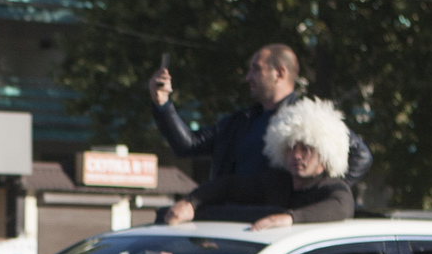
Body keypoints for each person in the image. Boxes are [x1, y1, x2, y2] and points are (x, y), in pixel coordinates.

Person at [148, 45, 372, 185]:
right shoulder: (241, 121)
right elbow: (188, 145)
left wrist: (318, 196)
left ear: (279, 73)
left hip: (275, 235)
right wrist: (162, 104)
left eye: (256, 69)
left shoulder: (309, 119)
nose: (247, 77)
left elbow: (361, 156)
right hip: (235, 227)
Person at [161, 97, 356, 229]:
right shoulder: (275, 182)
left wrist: (290, 218)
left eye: (306, 149)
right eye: (290, 147)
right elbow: (228, 186)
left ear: (324, 154)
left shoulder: (333, 189)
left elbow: (342, 206)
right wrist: (191, 203)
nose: (296, 155)